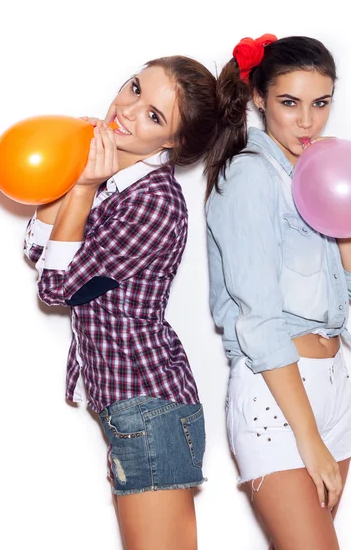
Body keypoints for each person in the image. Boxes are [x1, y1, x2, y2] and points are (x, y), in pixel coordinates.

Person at [24, 56, 218, 550]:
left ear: (171, 142)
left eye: (154, 115)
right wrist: (75, 171)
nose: (128, 111)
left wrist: (83, 187)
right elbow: (36, 250)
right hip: (129, 405)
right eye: (134, 89)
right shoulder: (112, 181)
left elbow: (55, 287)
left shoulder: (155, 202)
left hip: (149, 404)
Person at [205, 35, 351, 549]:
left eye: (320, 103)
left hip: (332, 388)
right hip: (277, 394)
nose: (307, 121)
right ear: (259, 98)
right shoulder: (249, 176)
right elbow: (258, 322)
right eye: (290, 103)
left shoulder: (316, 173)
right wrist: (308, 438)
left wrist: (341, 201)